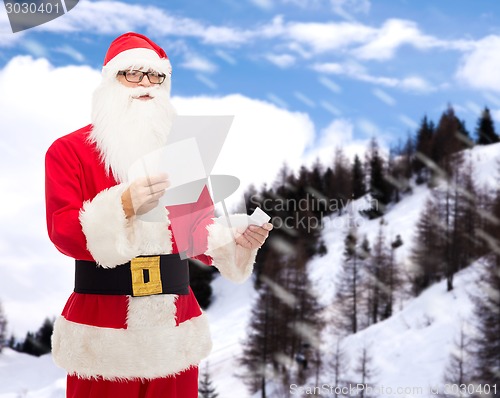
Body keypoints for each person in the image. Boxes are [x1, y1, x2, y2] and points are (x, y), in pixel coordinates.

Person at [45, 32, 273, 398]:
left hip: (175, 331)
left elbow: (196, 237)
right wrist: (122, 206)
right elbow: (63, 232)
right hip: (103, 332)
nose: (145, 85)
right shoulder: (68, 151)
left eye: (156, 76)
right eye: (132, 74)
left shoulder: (181, 154)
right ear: (110, 82)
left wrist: (235, 241)